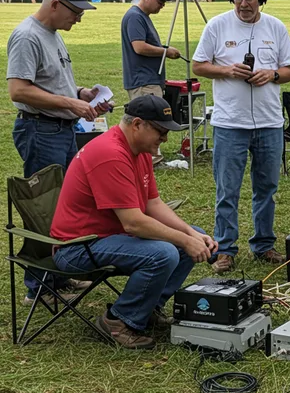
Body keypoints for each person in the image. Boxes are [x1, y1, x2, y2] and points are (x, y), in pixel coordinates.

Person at [51, 95, 217, 350]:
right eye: (161, 131)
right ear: (137, 124)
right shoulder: (111, 153)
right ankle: (118, 320)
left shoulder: (138, 151)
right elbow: (134, 224)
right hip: (77, 247)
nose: (165, 138)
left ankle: (147, 308)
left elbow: (154, 205)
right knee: (163, 253)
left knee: (192, 236)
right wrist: (184, 240)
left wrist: (190, 235)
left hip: (108, 239)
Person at [7, 0, 112, 305]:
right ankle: (38, 288)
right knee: (44, 209)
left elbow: (50, 81)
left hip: (61, 130)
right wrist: (72, 104)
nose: (79, 17)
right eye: (75, 10)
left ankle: (61, 276)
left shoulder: (52, 35)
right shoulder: (27, 36)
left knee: (66, 206)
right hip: (41, 131)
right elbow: (19, 90)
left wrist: (81, 94)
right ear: (54, 4)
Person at [192, 0, 290, 274]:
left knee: (266, 187)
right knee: (228, 189)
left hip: (268, 121)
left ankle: (263, 244)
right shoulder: (217, 26)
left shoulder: (275, 27)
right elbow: (199, 65)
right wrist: (227, 71)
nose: (243, 4)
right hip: (229, 123)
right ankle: (225, 249)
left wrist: (272, 74)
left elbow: (289, 70)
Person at [121, 0, 180, 101]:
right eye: (160, 2)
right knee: (150, 119)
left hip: (148, 81)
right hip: (144, 84)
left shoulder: (141, 16)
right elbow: (139, 47)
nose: (162, 5)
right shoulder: (135, 16)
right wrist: (166, 52)